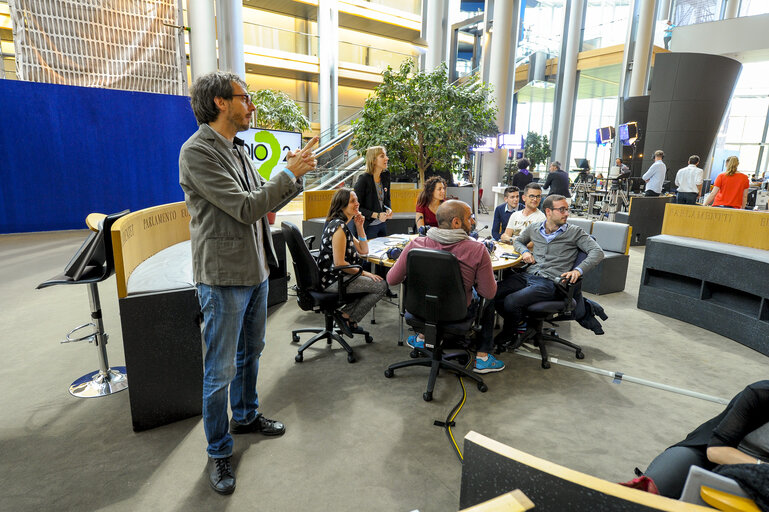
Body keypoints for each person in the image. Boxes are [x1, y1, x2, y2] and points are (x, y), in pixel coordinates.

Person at [179, 71, 319, 495]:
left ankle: (245, 415)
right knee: (219, 370)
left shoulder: (238, 148)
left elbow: (265, 203)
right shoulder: (197, 152)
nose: (251, 105)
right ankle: (219, 450)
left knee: (251, 352)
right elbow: (244, 208)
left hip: (256, 267)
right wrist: (286, 174)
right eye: (245, 98)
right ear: (221, 102)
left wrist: (293, 176)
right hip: (222, 276)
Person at [387, 200, 505, 374]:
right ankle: (482, 357)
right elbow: (488, 292)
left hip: (419, 311)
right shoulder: (478, 249)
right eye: (470, 217)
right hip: (456, 315)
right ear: (456, 222)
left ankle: (422, 336)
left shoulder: (416, 244)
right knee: (488, 297)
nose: (473, 221)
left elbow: (392, 279)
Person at [495, 194, 604, 342]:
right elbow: (519, 241)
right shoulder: (534, 228)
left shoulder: (575, 232)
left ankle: (509, 333)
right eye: (562, 210)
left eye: (567, 209)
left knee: (511, 301)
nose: (567, 213)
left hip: (551, 282)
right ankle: (521, 324)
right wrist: (525, 251)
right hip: (529, 274)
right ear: (548, 211)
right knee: (492, 293)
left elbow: (597, 252)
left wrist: (578, 270)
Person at [637, 380, 769, 499]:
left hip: (760, 479)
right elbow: (717, 450)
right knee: (658, 483)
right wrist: (762, 467)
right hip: (709, 452)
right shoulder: (759, 393)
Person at [317, 188, 388, 332]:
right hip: (334, 281)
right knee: (381, 286)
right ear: (342, 205)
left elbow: (363, 250)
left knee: (375, 283)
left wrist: (360, 227)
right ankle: (347, 316)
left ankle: (347, 317)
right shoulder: (338, 227)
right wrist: (365, 274)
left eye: (357, 200)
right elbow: (340, 264)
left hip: (342, 278)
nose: (357, 203)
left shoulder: (343, 226)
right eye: (352, 201)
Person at [354, 146, 393, 239]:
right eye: (382, 156)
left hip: (382, 224)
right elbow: (356, 208)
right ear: (373, 160)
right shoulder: (363, 179)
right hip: (368, 226)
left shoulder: (385, 175)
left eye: (386, 155)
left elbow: (387, 198)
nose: (387, 158)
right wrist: (377, 215)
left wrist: (389, 209)